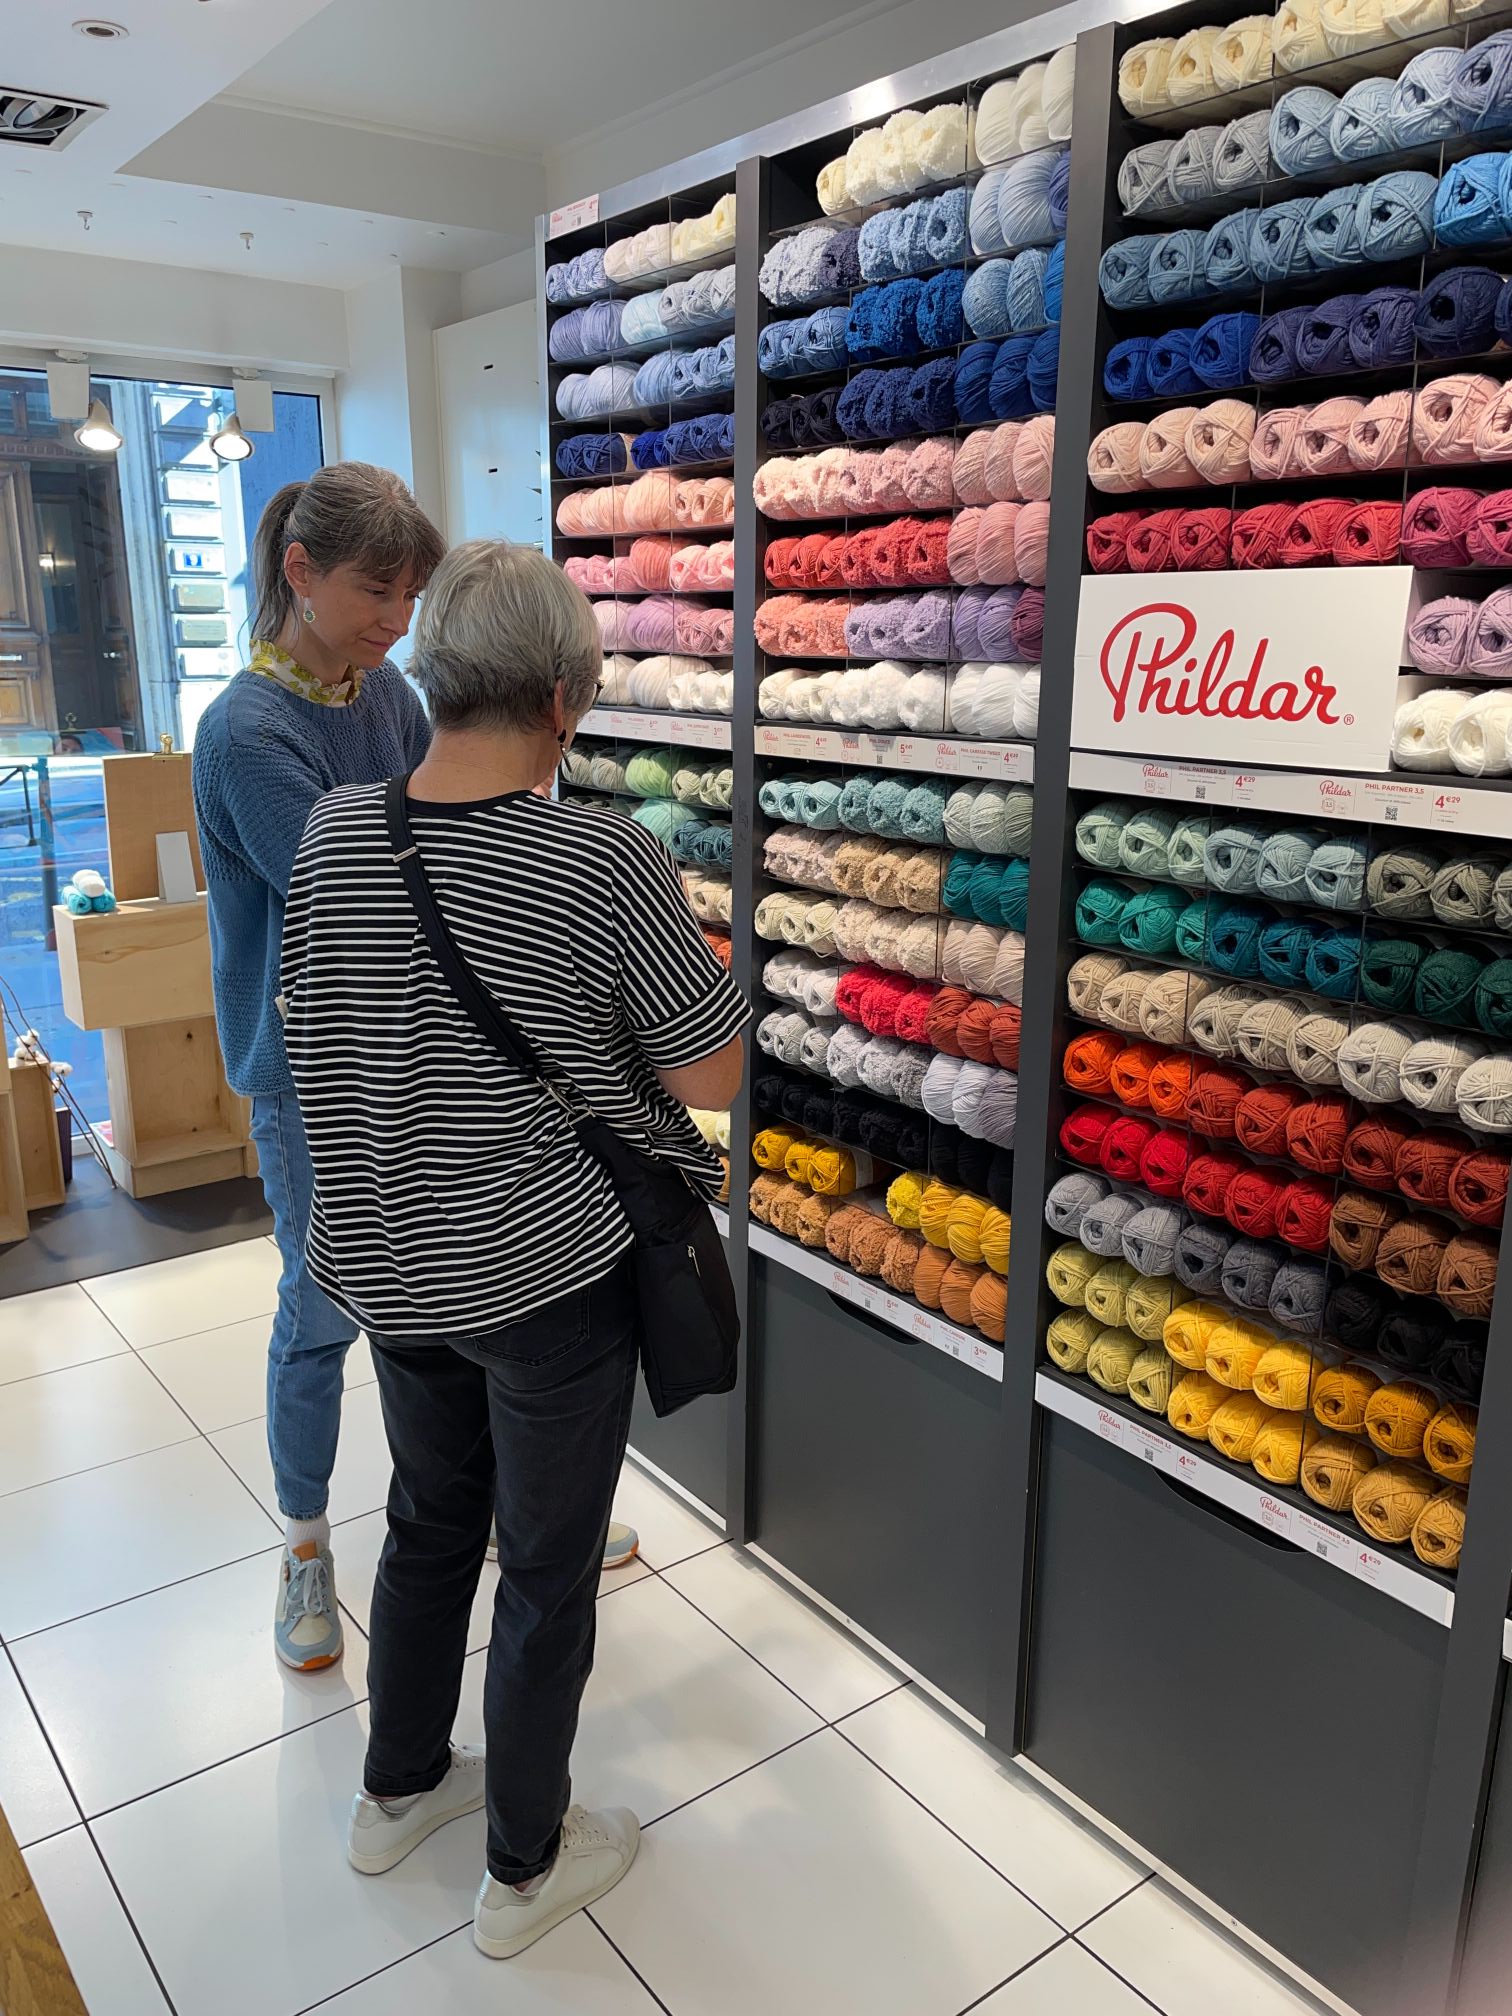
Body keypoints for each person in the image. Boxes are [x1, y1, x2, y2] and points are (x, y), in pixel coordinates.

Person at [278, 540, 746, 1955]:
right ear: (563, 698)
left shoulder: (336, 834)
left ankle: (396, 1788)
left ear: (431, 675)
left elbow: (312, 1038)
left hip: (390, 1260)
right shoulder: (603, 858)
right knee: (544, 1567)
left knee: (429, 1520)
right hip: (542, 1277)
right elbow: (712, 1073)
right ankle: (526, 1870)